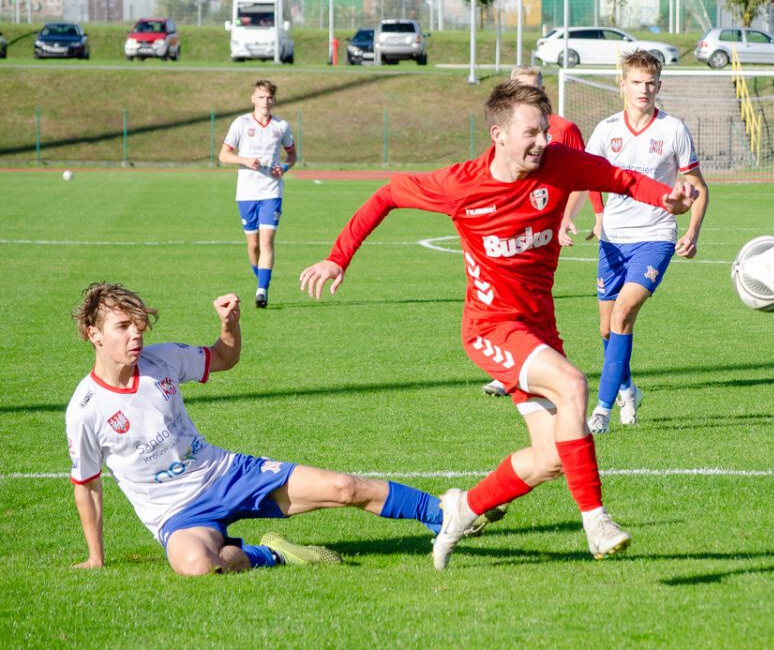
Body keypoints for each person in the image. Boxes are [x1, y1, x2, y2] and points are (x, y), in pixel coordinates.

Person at [299, 82, 698, 570]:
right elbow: (388, 194)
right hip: (490, 327)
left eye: (545, 131)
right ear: (498, 135)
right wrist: (338, 257)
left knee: (551, 459)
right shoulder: (461, 184)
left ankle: (462, 510)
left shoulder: (561, 164)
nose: (543, 141)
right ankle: (596, 522)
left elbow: (623, 179)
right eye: (531, 133)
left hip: (539, 329)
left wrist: (667, 197)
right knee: (573, 384)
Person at [66, 283, 446, 576]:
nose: (136, 335)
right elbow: (87, 484)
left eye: (138, 326)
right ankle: (273, 553)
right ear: (93, 334)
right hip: (177, 514)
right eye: (123, 327)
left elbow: (224, 357)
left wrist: (229, 325)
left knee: (345, 487)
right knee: (199, 566)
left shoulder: (162, 359)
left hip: (226, 473)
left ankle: (445, 515)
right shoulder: (86, 410)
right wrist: (95, 556)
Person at [562, 50, 710, 435]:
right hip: (613, 239)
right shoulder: (606, 129)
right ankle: (628, 389)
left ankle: (601, 412)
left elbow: (698, 187)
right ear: (622, 84)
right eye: (636, 82)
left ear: (659, 86)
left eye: (650, 83)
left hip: (655, 237)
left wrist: (692, 232)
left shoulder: (673, 129)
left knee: (624, 313)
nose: (643, 89)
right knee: (607, 328)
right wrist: (568, 217)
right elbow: (584, 178)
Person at [481, 64, 588, 399]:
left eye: (535, 88)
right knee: (506, 295)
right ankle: (513, 368)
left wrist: (572, 216)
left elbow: (586, 177)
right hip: (509, 228)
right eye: (522, 87)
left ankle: (530, 369)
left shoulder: (564, 129)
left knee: (534, 298)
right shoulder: (509, 130)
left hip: (543, 231)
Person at [219, 80, 298, 309]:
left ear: (274, 100)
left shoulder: (281, 126)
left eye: (269, 98)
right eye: (261, 97)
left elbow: (292, 155)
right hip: (246, 193)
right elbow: (224, 155)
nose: (265, 101)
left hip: (271, 191)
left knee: (266, 241)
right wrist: (244, 160)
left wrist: (284, 168)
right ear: (253, 98)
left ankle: (262, 291)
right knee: (253, 245)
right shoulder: (241, 123)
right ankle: (262, 277)